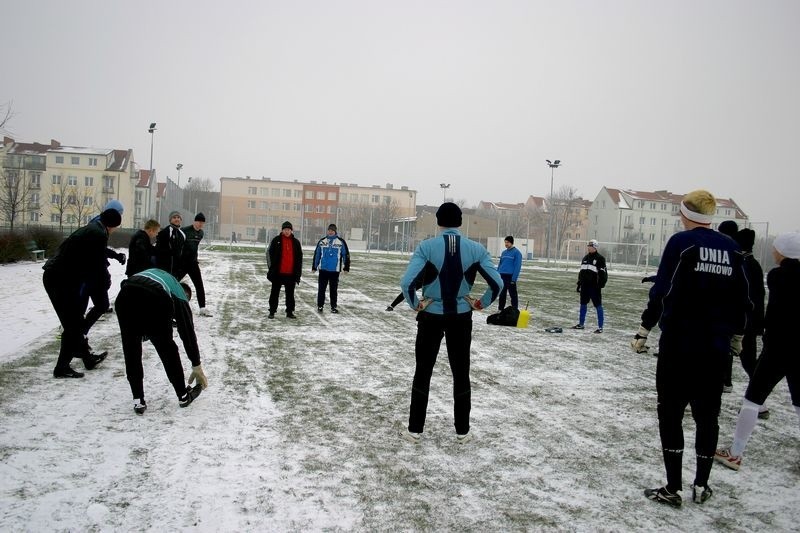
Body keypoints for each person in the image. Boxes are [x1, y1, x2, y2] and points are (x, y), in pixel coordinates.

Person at [631, 190, 750, 508]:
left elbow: (661, 290)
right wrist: (736, 335)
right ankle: (702, 484)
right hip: (715, 349)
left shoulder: (682, 243)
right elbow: (743, 299)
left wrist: (645, 328)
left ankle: (673, 488)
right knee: (707, 418)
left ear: (686, 214)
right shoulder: (732, 248)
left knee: (670, 415)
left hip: (679, 346)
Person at [398, 202, 503, 445]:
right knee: (461, 372)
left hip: (431, 316)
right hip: (461, 317)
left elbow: (406, 283)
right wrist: (481, 303)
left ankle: (415, 429)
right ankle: (462, 431)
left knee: (423, 370)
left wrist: (416, 304)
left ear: (438, 221)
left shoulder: (426, 246)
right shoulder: (476, 249)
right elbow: (497, 283)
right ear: (460, 222)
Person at [715, 232, 800, 472]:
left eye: (776, 248)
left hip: (778, 348)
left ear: (783, 252)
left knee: (752, 400)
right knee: (799, 402)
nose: (773, 252)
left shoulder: (777, 276)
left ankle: (735, 453)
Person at [42, 208, 122, 378]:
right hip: (58, 279)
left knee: (75, 324)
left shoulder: (93, 229)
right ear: (113, 225)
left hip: (60, 277)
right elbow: (98, 264)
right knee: (73, 325)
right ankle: (62, 368)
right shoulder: (98, 233)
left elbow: (96, 257)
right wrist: (105, 283)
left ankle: (86, 358)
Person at [115, 268, 207, 414]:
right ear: (186, 294)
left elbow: (136, 295)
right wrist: (196, 364)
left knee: (131, 348)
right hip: (155, 298)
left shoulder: (161, 276)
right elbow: (187, 332)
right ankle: (183, 396)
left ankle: (138, 400)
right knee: (167, 349)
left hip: (125, 295)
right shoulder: (180, 294)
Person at [718, 220, 741, 393]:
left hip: (729, 315)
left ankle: (724, 381)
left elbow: (745, 294)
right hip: (729, 315)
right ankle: (725, 381)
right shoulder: (734, 252)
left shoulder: (734, 254)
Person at [266, 221, 303, 319]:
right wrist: (271, 268)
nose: (287, 231)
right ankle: (272, 311)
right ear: (282, 230)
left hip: (291, 274)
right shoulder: (276, 240)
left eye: (289, 230)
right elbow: (268, 254)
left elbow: (299, 258)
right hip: (278, 273)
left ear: (291, 230)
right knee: (274, 293)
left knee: (290, 294)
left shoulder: (296, 242)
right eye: (285, 229)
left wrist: (298, 272)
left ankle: (289, 312)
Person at [312, 223, 350, 313]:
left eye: (332, 230)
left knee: (333, 290)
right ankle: (320, 306)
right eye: (329, 230)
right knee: (321, 289)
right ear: (327, 231)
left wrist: (346, 267)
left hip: (334, 271)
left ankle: (333, 307)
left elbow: (346, 255)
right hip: (323, 270)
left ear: (335, 231)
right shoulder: (322, 241)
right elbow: (317, 254)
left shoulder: (340, 242)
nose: (330, 232)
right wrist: (314, 266)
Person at [572, 239, 607, 333]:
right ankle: (581, 324)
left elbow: (603, 274)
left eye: (590, 246)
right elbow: (581, 272)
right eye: (588, 246)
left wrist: (600, 285)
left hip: (594, 287)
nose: (589, 247)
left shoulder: (600, 258)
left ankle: (600, 327)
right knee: (583, 304)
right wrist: (579, 283)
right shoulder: (585, 258)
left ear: (595, 247)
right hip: (584, 286)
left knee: (598, 305)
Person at [181, 213, 212, 316]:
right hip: (182, 263)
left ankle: (202, 308)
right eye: (198, 222)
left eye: (202, 222)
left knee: (199, 285)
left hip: (193, 264)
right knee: (173, 281)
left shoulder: (201, 233)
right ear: (194, 221)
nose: (200, 224)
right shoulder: (184, 231)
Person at [155, 211, 185, 277]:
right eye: (174, 217)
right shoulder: (164, 232)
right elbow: (158, 250)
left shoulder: (182, 234)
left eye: (178, 217)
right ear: (170, 220)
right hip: (164, 269)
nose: (177, 219)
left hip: (176, 269)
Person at [496, 235, 522, 311]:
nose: (506, 244)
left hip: (510, 277)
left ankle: (515, 311)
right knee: (502, 294)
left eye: (507, 242)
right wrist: (497, 274)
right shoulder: (504, 253)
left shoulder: (517, 253)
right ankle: (500, 310)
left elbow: (517, 267)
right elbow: (500, 265)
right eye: (505, 242)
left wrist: (513, 279)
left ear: (511, 243)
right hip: (502, 276)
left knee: (513, 295)